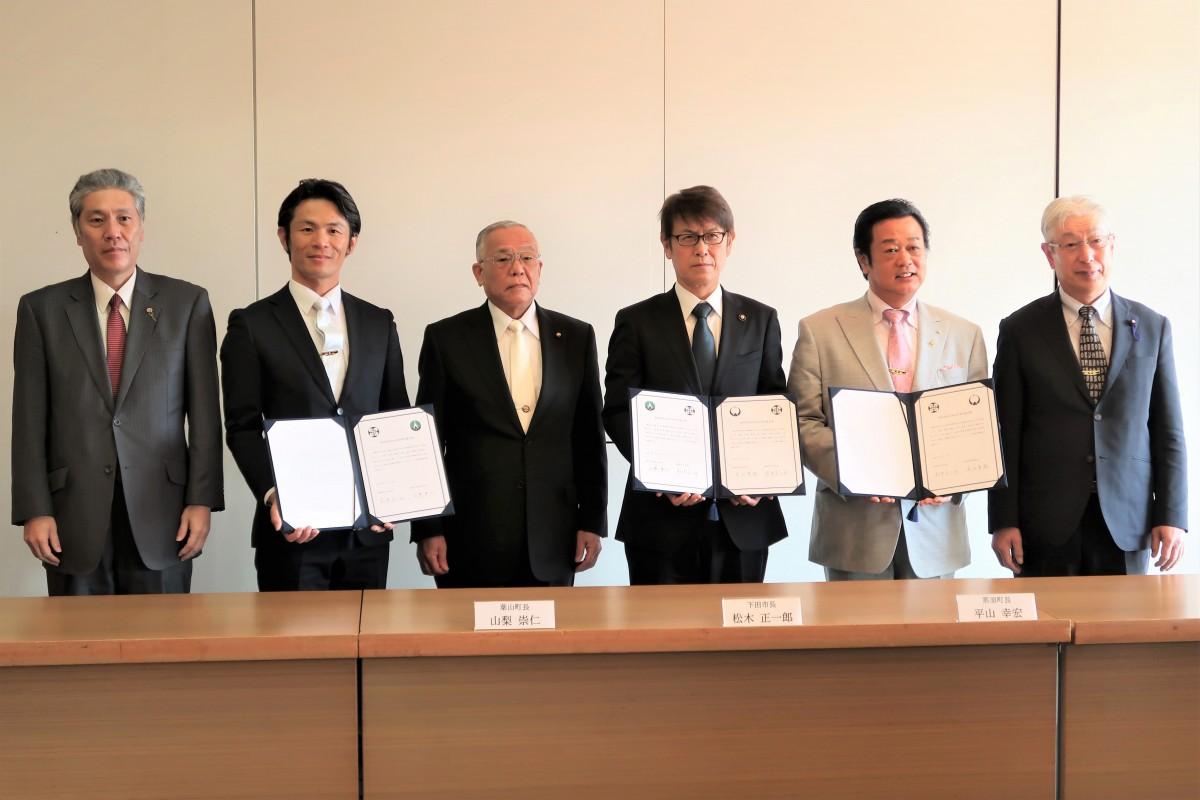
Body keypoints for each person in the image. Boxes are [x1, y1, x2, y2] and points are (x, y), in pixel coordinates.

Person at [12, 168, 223, 594]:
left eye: (124, 218)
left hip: (164, 513)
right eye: (97, 220)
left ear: (141, 227)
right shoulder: (41, 310)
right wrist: (35, 509)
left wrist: (202, 500)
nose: (113, 232)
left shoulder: (187, 304)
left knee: (161, 634)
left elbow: (205, 416)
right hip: (71, 516)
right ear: (78, 232)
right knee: (78, 635)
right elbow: (28, 421)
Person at [222, 178, 408, 590]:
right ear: (284, 238)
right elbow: (242, 426)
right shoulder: (251, 325)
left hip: (367, 532)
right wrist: (275, 494)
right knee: (294, 635)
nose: (320, 240)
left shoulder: (378, 322)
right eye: (307, 228)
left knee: (366, 632)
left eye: (333, 230)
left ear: (351, 242)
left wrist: (393, 493)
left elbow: (394, 416)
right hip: (292, 532)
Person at [788, 198, 987, 580]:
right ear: (864, 261)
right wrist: (856, 473)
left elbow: (979, 428)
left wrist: (957, 481)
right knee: (857, 623)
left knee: (934, 624)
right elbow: (803, 422)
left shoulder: (965, 335)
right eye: (891, 249)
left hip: (936, 529)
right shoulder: (820, 330)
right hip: (854, 532)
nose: (906, 259)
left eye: (914, 247)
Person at [988, 195, 1186, 576]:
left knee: (1124, 618)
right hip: (1044, 522)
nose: (1087, 255)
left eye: (1096, 241)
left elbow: (1168, 430)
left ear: (1112, 245)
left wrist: (1172, 514)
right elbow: (1004, 433)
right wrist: (1003, 520)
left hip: (1129, 520)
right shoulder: (1020, 330)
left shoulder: (1152, 327)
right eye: (1070, 244)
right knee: (1048, 615)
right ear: (1049, 255)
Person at [603, 185, 788, 584]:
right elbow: (617, 410)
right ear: (667, 246)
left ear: (729, 241)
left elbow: (775, 403)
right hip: (660, 520)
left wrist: (763, 477)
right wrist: (660, 476)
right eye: (687, 237)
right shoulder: (636, 321)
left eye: (712, 236)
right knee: (661, 624)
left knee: (741, 623)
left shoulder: (760, 319)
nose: (702, 248)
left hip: (745, 515)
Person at [411, 221, 607, 587]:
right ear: (478, 272)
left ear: (539, 268)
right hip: (470, 536)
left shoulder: (576, 337)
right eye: (503, 259)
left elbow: (588, 438)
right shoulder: (446, 338)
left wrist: (593, 521)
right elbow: (427, 442)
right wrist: (428, 528)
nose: (518, 268)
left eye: (527, 258)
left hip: (556, 535)